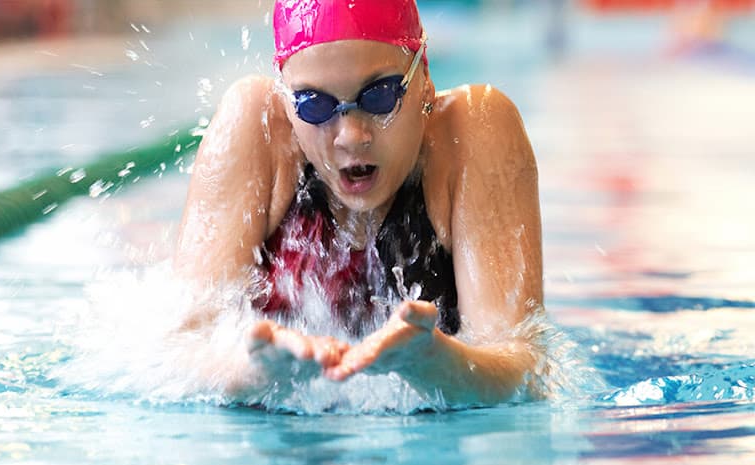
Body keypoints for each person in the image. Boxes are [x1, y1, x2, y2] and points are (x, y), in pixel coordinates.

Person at [173, 0, 543, 406]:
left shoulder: (471, 134)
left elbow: (524, 369)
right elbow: (180, 351)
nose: (350, 136)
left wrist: (434, 364)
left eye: (380, 96)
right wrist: (255, 373)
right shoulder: (257, 127)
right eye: (314, 104)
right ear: (287, 102)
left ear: (424, 79)